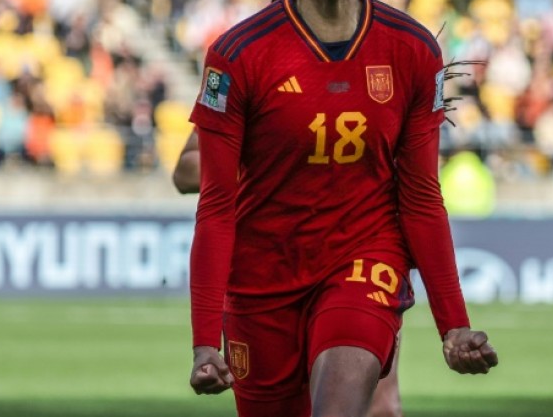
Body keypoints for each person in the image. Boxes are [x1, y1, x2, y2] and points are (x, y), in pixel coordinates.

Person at [187, 0, 498, 416]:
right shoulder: (239, 54)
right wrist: (203, 340)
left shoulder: (413, 49)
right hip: (264, 277)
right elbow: (217, 205)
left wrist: (454, 325)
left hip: (364, 259)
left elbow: (421, 196)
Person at [174, 129, 405, 417]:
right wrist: (269, 164)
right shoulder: (257, 88)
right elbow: (184, 172)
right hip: (271, 269)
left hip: (354, 261)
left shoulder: (383, 93)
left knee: (380, 406)